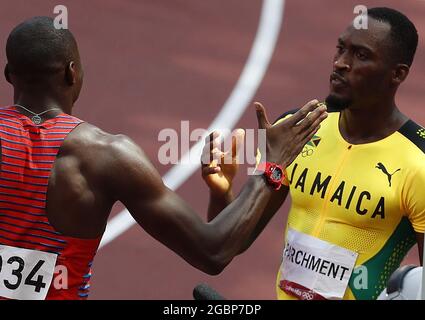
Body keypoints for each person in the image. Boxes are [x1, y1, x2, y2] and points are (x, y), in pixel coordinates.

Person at [0, 16, 327, 300]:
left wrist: (221, 193)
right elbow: (212, 251)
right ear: (73, 73)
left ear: (8, 74)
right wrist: (271, 165)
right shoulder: (105, 156)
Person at [202, 7, 425, 300]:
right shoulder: (295, 129)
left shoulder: (418, 161)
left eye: (360, 55)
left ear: (397, 74)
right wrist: (221, 194)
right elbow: (230, 243)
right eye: (341, 49)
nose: (340, 63)